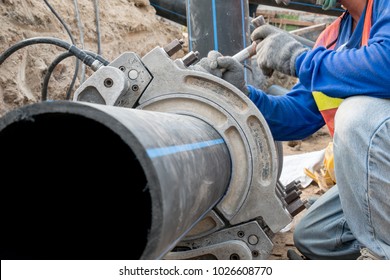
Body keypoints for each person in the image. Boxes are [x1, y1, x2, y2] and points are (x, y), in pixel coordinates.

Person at [196, 0, 390, 260]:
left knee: (357, 115)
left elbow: (385, 65)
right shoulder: (332, 38)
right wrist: (241, 95)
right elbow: (299, 115)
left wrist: (298, 58)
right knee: (317, 236)